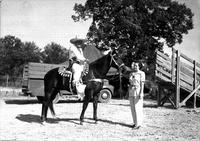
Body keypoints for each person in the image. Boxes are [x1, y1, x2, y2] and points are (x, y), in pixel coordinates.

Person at [128, 61, 145, 129]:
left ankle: (138, 124)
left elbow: (142, 84)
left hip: (138, 90)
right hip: (131, 90)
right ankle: (135, 123)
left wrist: (141, 92)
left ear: (139, 66)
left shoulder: (141, 73)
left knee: (137, 107)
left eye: (136, 66)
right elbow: (130, 82)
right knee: (132, 108)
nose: (135, 67)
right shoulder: (131, 73)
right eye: (134, 65)